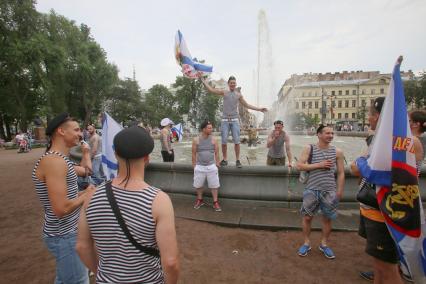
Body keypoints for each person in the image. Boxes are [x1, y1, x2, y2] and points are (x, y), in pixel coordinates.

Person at [76, 126, 180, 284]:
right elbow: (170, 262)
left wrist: (101, 273)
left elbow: (82, 247)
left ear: (116, 155)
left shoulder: (91, 196)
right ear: (147, 158)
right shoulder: (159, 200)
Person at [32, 113, 95, 284]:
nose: (80, 134)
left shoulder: (59, 160)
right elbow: (61, 209)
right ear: (61, 131)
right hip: (65, 236)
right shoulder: (54, 161)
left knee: (66, 279)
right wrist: (86, 196)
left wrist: (84, 193)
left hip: (65, 234)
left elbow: (67, 197)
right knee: (77, 281)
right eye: (76, 130)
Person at [351, 97, 404, 284]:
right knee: (379, 265)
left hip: (383, 210)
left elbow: (366, 171)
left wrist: (359, 162)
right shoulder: (388, 140)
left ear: (381, 116)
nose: (369, 119)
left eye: (371, 115)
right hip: (376, 209)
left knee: (387, 268)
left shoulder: (390, 142)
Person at [296, 124, 345, 259]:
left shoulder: (337, 152)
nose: (330, 136)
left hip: (330, 190)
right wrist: (319, 165)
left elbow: (341, 173)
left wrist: (339, 191)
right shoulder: (309, 148)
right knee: (307, 217)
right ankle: (306, 242)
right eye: (327, 133)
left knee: (327, 219)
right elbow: (299, 165)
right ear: (318, 134)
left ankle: (324, 244)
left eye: (332, 133)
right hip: (312, 188)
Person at [200, 75, 267, 168]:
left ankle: (238, 160)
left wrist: (259, 109)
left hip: (235, 120)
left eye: (234, 83)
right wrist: (204, 81)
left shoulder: (238, 95)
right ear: (228, 84)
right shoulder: (224, 92)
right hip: (225, 120)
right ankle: (225, 159)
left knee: (237, 141)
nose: (232, 84)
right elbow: (212, 90)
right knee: (223, 141)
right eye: (231, 83)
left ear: (236, 84)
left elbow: (247, 105)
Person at [192, 120, 222, 211]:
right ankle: (199, 200)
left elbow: (217, 153)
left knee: (214, 185)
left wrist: (217, 163)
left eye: (211, 128)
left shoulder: (214, 139)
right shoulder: (196, 140)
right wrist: (194, 166)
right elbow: (193, 154)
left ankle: (215, 202)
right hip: (199, 166)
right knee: (198, 185)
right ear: (203, 129)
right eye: (209, 128)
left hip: (211, 166)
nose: (211, 129)